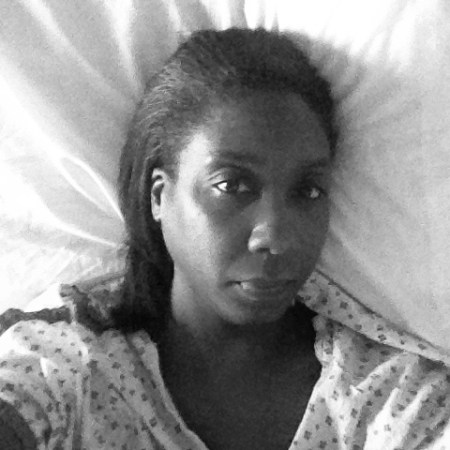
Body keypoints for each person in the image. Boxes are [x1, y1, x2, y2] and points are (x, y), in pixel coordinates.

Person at [0, 28, 449, 450]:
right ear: (159, 196)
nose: (277, 237)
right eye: (232, 185)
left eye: (308, 191)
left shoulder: (390, 395)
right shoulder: (66, 363)